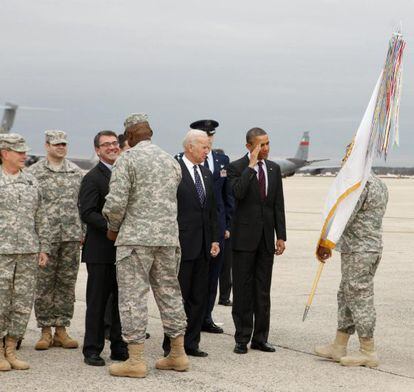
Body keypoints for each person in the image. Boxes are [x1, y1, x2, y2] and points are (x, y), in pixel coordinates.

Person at [103, 113, 189, 378]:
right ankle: (177, 354)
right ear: (150, 133)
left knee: (133, 297)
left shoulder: (126, 160)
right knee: (170, 293)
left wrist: (113, 227)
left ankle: (136, 360)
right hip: (167, 239)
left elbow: (117, 202)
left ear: (128, 136)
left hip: (136, 240)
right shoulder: (171, 161)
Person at [315, 147, 388, 368]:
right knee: (346, 294)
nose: (344, 160)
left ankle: (368, 350)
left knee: (359, 296)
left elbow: (344, 217)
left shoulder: (361, 185)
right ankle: (339, 344)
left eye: (348, 156)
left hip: (360, 251)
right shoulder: (379, 183)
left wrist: (326, 242)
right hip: (366, 248)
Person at [227, 127, 286, 354]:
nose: (266, 148)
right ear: (249, 146)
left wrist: (280, 235)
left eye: (268, 143)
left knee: (263, 289)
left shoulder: (273, 169)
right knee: (242, 290)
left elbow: (278, 205)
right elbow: (238, 193)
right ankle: (242, 337)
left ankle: (260, 338)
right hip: (243, 240)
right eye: (261, 144)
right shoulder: (236, 168)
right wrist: (251, 167)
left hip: (265, 240)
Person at [164, 129, 219, 357]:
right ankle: (171, 346)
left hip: (204, 246)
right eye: (204, 147)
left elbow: (212, 210)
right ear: (190, 147)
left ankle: (191, 343)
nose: (208, 151)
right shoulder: (174, 172)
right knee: (178, 298)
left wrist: (215, 239)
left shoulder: (206, 173)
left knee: (199, 297)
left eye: (208, 147)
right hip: (182, 244)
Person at [28, 130, 83, 351]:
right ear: (47, 146)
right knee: (43, 284)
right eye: (57, 144)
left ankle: (61, 328)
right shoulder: (34, 173)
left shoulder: (76, 173)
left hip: (71, 235)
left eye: (64, 144)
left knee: (67, 283)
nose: (61, 147)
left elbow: (83, 204)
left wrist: (83, 232)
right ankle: (44, 330)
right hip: (45, 238)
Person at [0, 134, 50, 371]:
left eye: (24, 151)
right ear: (4, 152)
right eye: (18, 151)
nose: (23, 155)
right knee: (1, 301)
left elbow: (41, 216)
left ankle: (11, 348)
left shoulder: (31, 182)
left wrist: (43, 247)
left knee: (22, 302)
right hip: (3, 251)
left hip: (28, 251)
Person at [78, 130, 128, 366]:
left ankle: (119, 346)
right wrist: (111, 227)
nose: (112, 147)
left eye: (114, 143)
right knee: (97, 302)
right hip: (100, 250)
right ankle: (92, 349)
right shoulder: (92, 178)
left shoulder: (125, 173)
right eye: (106, 144)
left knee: (121, 301)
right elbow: (87, 212)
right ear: (97, 150)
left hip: (124, 250)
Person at [188, 120, 233, 333]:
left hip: (218, 226)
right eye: (204, 135)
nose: (209, 139)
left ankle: (206, 316)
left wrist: (228, 224)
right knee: (192, 276)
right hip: (195, 229)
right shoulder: (182, 161)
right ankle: (188, 318)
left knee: (213, 275)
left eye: (210, 135)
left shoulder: (222, 160)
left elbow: (227, 195)